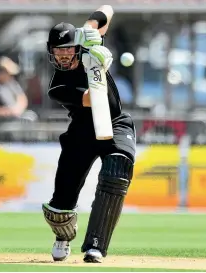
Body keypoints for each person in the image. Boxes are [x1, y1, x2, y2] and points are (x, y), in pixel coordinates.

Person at [41, 17, 136, 263]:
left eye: (68, 49)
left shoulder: (90, 46)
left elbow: (107, 10)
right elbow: (93, 98)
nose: (63, 55)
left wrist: (92, 29)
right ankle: (63, 236)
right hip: (82, 132)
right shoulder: (57, 85)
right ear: (51, 52)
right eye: (58, 50)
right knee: (60, 208)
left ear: (76, 47)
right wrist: (99, 66)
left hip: (115, 124)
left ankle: (96, 245)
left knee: (117, 169)